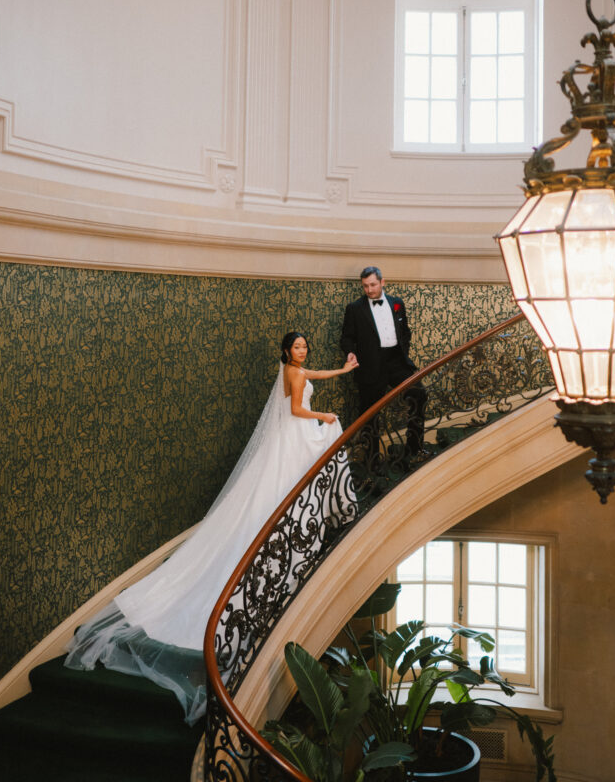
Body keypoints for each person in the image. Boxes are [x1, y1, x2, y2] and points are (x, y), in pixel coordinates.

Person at [64, 332, 357, 724]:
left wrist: (344, 369)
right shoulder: (293, 373)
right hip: (295, 433)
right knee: (292, 480)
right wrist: (322, 416)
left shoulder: (296, 370)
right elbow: (295, 410)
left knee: (289, 486)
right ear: (288, 351)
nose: (302, 351)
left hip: (291, 438)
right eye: (297, 347)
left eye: (305, 346)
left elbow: (315, 375)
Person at [340, 266, 426, 461]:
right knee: (370, 416)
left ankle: (414, 449)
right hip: (370, 366)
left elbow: (405, 331)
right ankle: (373, 461)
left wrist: (403, 351)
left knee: (419, 394)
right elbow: (346, 338)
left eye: (373, 285)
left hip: (396, 362)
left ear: (382, 282)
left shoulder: (397, 303)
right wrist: (350, 352)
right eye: (365, 286)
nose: (369, 290)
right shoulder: (355, 308)